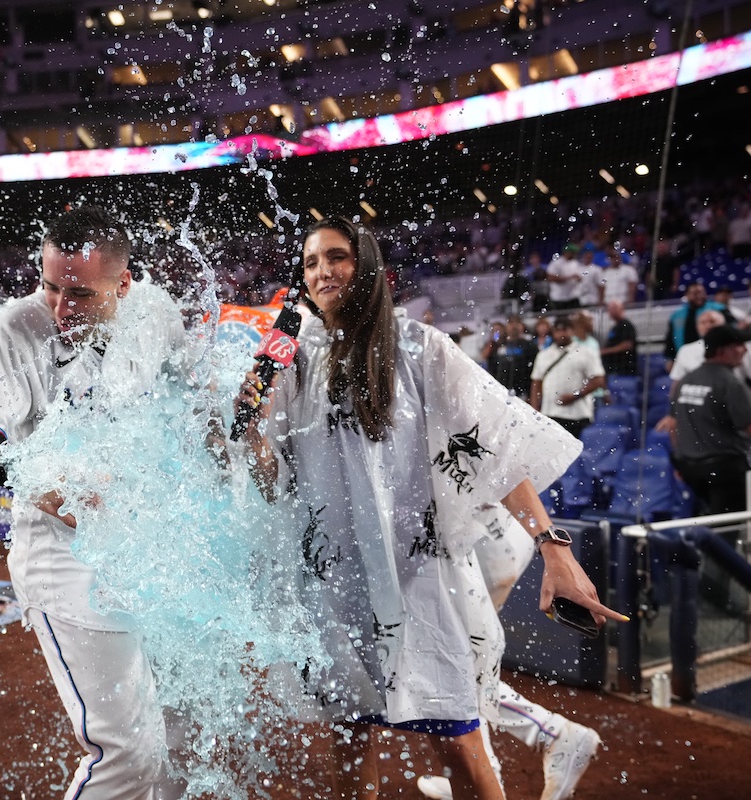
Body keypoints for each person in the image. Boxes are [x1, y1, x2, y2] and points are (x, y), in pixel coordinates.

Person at [235, 218, 622, 800]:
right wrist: (249, 435)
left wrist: (554, 547)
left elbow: (496, 447)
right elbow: (274, 487)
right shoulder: (293, 361)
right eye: (311, 262)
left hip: (419, 579)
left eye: (335, 257)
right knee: (349, 743)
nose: (321, 272)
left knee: (457, 741)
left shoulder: (419, 346)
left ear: (365, 265)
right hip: (337, 584)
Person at [0, 206, 186, 799]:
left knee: (176, 741)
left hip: (148, 553)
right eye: (49, 286)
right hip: (66, 560)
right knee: (128, 753)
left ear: (124, 283)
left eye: (79, 293)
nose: (59, 307)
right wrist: (63, 494)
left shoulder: (159, 314)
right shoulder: (18, 325)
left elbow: (186, 411)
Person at [417, 509, 603, 800]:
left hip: (469, 534)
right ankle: (484, 771)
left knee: (447, 665)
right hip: (502, 529)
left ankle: (533, 746)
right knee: (463, 661)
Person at [670, 324, 751, 514]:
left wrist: (680, 461)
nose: (745, 350)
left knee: (717, 521)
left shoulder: (686, 380)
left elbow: (674, 426)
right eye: (739, 345)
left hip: (692, 469)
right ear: (721, 351)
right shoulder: (730, 383)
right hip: (724, 471)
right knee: (731, 529)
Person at [529, 316, 607, 439]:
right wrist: (534, 409)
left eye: (565, 330)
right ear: (553, 332)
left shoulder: (585, 352)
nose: (561, 334)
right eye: (558, 331)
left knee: (576, 455)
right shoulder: (543, 355)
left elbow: (598, 379)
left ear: (572, 331)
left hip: (577, 415)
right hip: (550, 413)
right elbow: (536, 382)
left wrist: (576, 395)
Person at [663, 283, 716, 368]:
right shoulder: (677, 315)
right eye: (695, 293)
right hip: (683, 356)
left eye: (701, 292)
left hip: (711, 356)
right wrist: (671, 358)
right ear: (687, 295)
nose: (699, 296)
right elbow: (670, 338)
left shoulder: (716, 310)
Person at [599, 300, 638, 376]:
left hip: (623, 369)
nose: (609, 311)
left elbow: (627, 345)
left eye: (612, 308)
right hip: (612, 368)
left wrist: (605, 351)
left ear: (620, 309)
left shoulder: (626, 325)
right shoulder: (614, 327)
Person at [545, 244, 584, 311]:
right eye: (572, 252)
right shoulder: (556, 263)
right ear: (567, 252)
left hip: (573, 297)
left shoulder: (575, 263)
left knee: (575, 318)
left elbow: (580, 277)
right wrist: (569, 278)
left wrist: (579, 279)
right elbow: (550, 278)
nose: (574, 254)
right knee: (561, 319)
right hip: (559, 298)